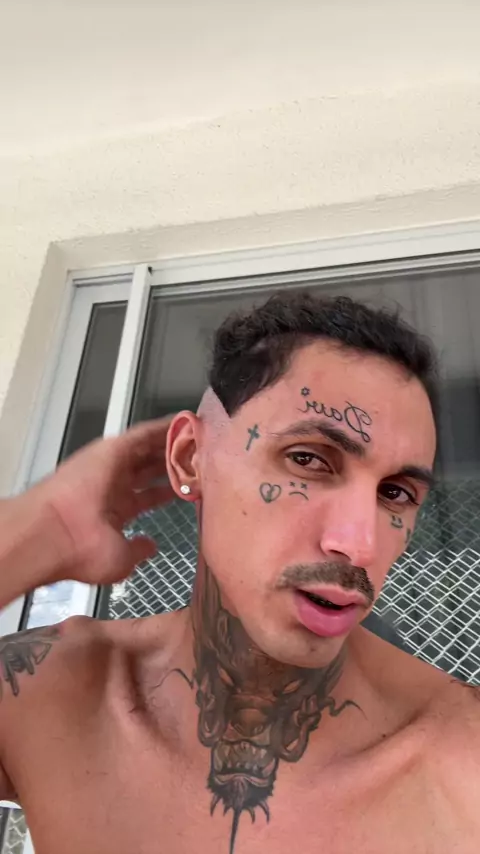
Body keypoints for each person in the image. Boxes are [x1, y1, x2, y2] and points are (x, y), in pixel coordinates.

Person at [0, 292, 478, 854]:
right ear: (189, 457)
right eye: (308, 459)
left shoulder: (461, 757)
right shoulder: (47, 693)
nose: (358, 544)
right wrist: (35, 533)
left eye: (395, 493)